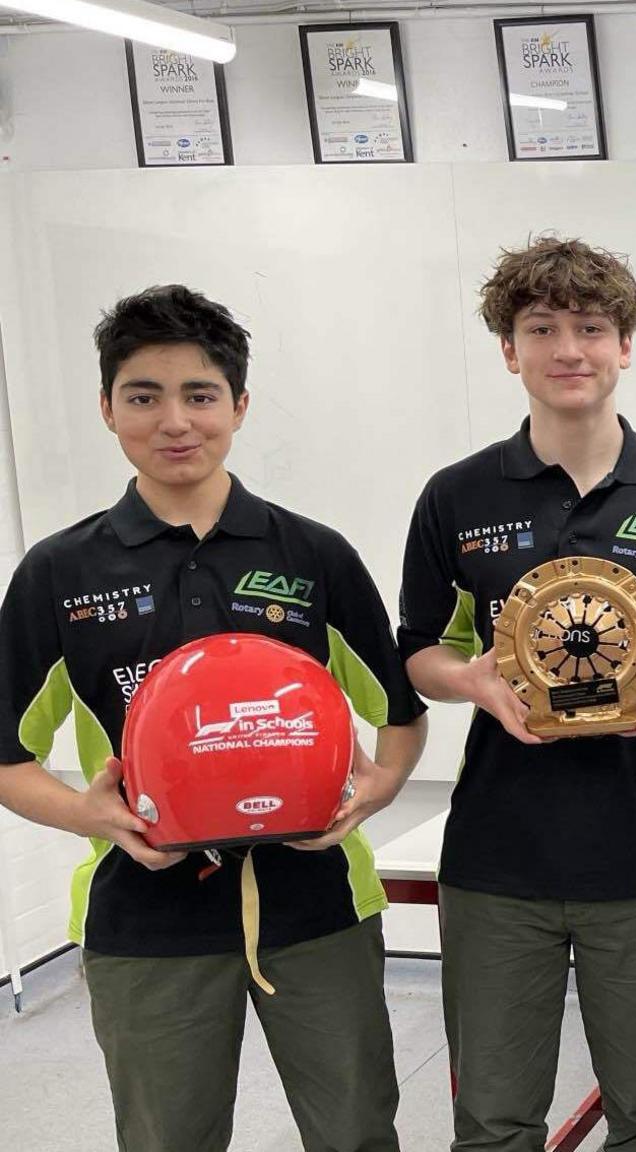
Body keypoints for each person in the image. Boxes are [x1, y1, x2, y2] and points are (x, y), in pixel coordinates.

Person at [0, 285, 428, 1152]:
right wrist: (93, 813)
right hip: (144, 920)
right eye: (143, 395)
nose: (174, 420)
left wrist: (374, 794)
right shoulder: (60, 572)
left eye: (199, 395)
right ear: (107, 408)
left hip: (319, 907)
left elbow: (399, 712)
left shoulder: (311, 553)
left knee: (356, 1133)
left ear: (238, 404)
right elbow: (7, 755)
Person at [398, 237, 636, 1152]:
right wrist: (474, 680)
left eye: (592, 327)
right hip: (494, 859)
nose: (569, 349)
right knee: (493, 1119)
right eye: (542, 328)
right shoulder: (457, 495)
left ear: (625, 345)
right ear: (508, 350)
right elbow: (418, 653)